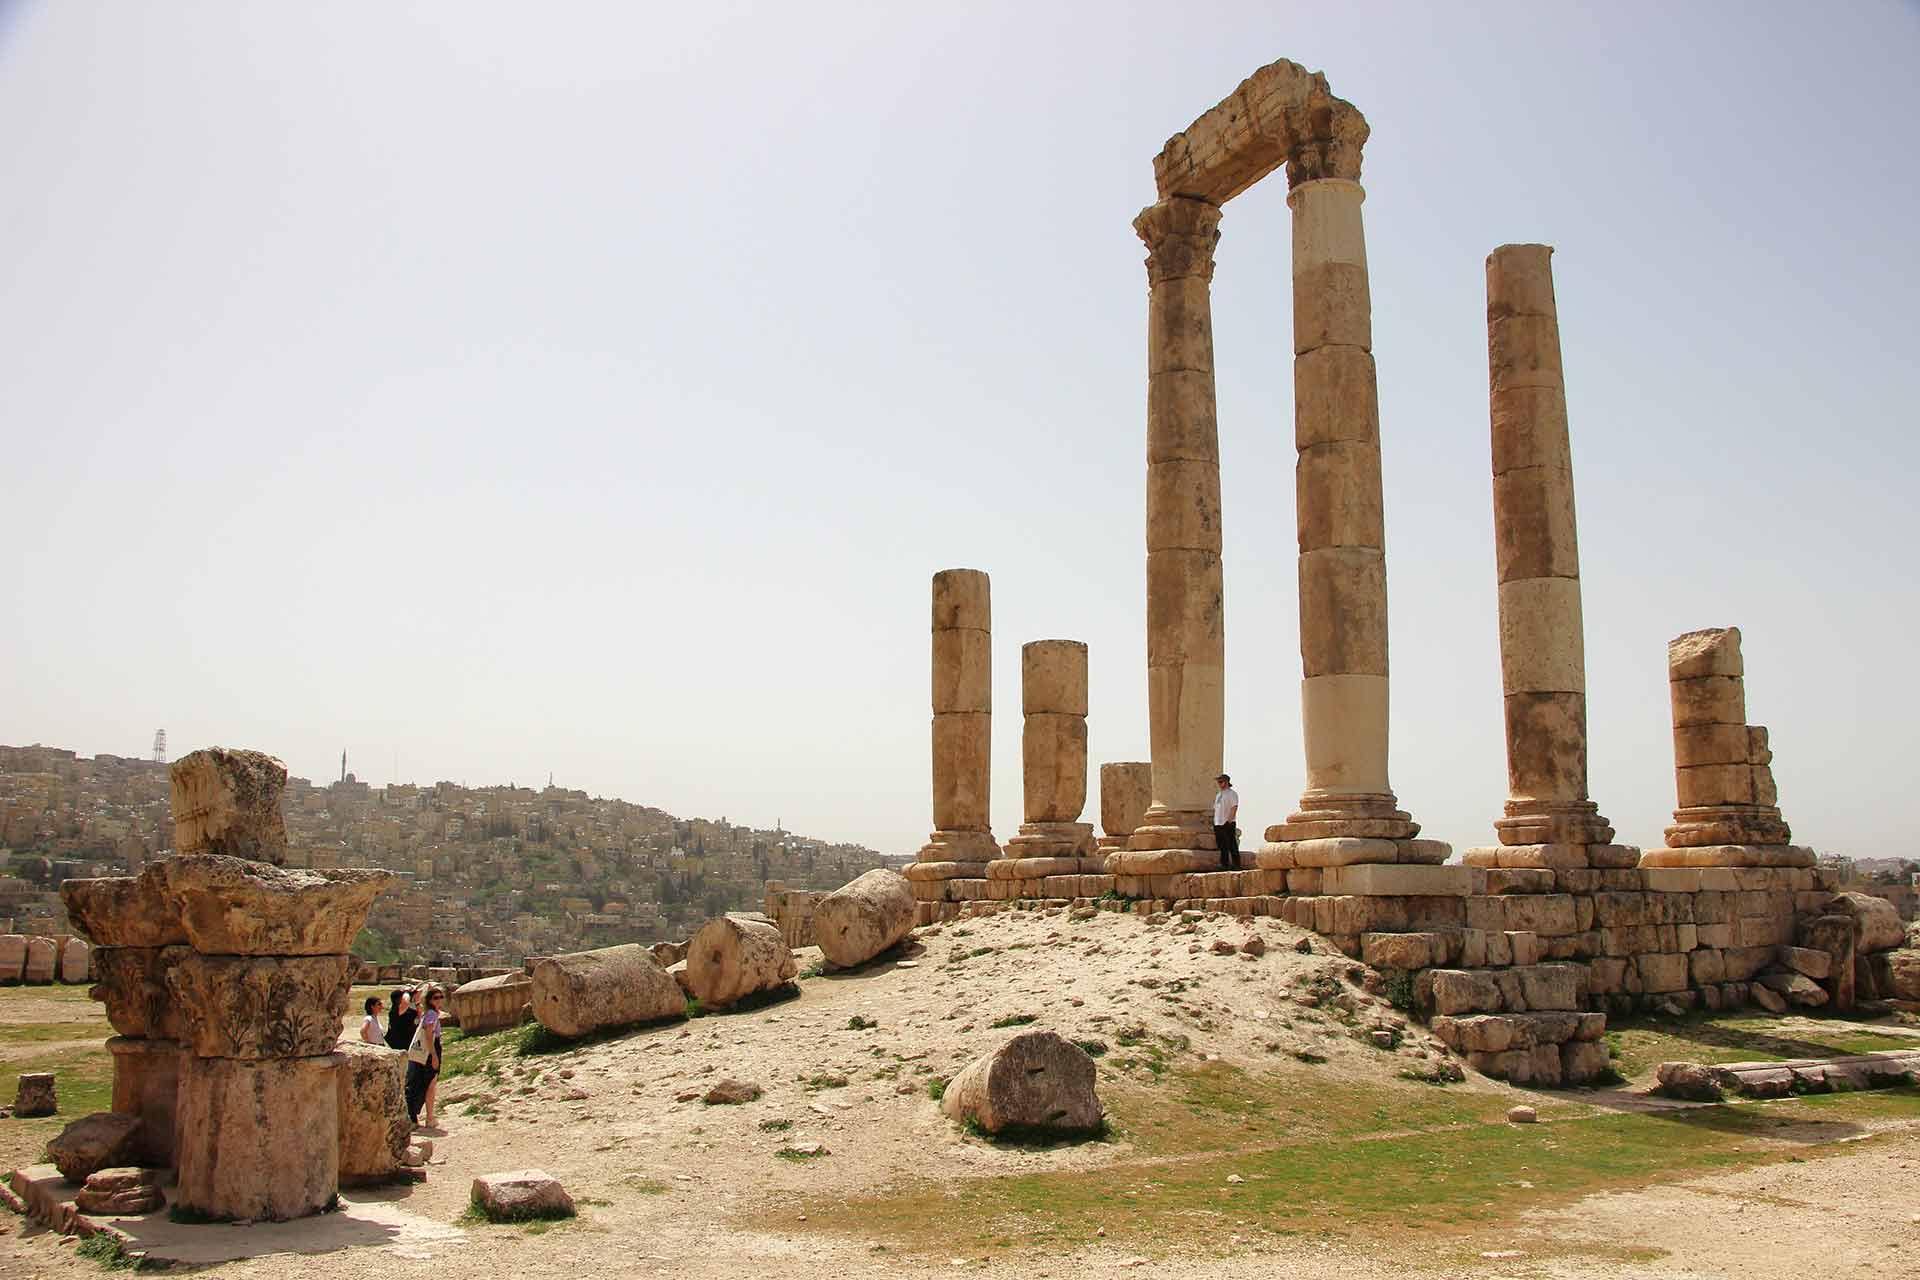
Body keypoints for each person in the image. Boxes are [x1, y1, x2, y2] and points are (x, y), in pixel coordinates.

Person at [404, 986, 445, 1129]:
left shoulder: (429, 1013)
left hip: (426, 1050)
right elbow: (429, 1035)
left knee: (425, 1082)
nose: (439, 1000)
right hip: (430, 1050)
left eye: (441, 997)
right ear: (430, 1000)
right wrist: (434, 1055)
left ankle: (423, 1116)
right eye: (436, 998)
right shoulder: (432, 1015)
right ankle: (429, 1117)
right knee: (430, 1084)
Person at [1213, 772, 1240, 871]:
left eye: (1221, 782)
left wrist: (1229, 821)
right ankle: (1224, 864)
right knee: (1222, 846)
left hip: (1227, 822)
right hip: (1218, 823)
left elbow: (1234, 807)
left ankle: (1236, 864)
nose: (1219, 784)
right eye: (1218, 782)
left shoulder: (1232, 794)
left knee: (1232, 844)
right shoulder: (1218, 795)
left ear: (1227, 782)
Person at [384, 988, 417, 1053]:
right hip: (398, 1044)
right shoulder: (394, 1011)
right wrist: (407, 992)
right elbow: (405, 1003)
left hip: (410, 1042)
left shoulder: (409, 1010)